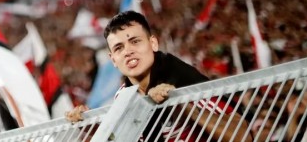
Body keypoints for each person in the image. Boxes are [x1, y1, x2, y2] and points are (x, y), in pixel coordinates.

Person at [66, 11, 252, 141]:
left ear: (153, 43)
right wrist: (91, 126)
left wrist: (181, 104)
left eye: (135, 41)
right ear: (113, 59)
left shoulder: (182, 79)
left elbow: (244, 136)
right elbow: (124, 136)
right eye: (119, 48)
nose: (128, 52)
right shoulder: (123, 96)